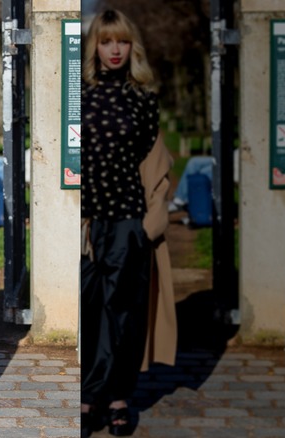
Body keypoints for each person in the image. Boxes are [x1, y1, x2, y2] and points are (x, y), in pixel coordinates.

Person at [80, 9, 177, 437]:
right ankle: (87, 393)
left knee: (123, 313)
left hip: (126, 220)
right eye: (106, 41)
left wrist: (146, 224)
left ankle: (116, 396)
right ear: (94, 46)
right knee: (89, 310)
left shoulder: (143, 99)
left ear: (130, 46)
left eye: (121, 41)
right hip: (86, 222)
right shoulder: (78, 95)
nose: (114, 50)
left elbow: (153, 164)